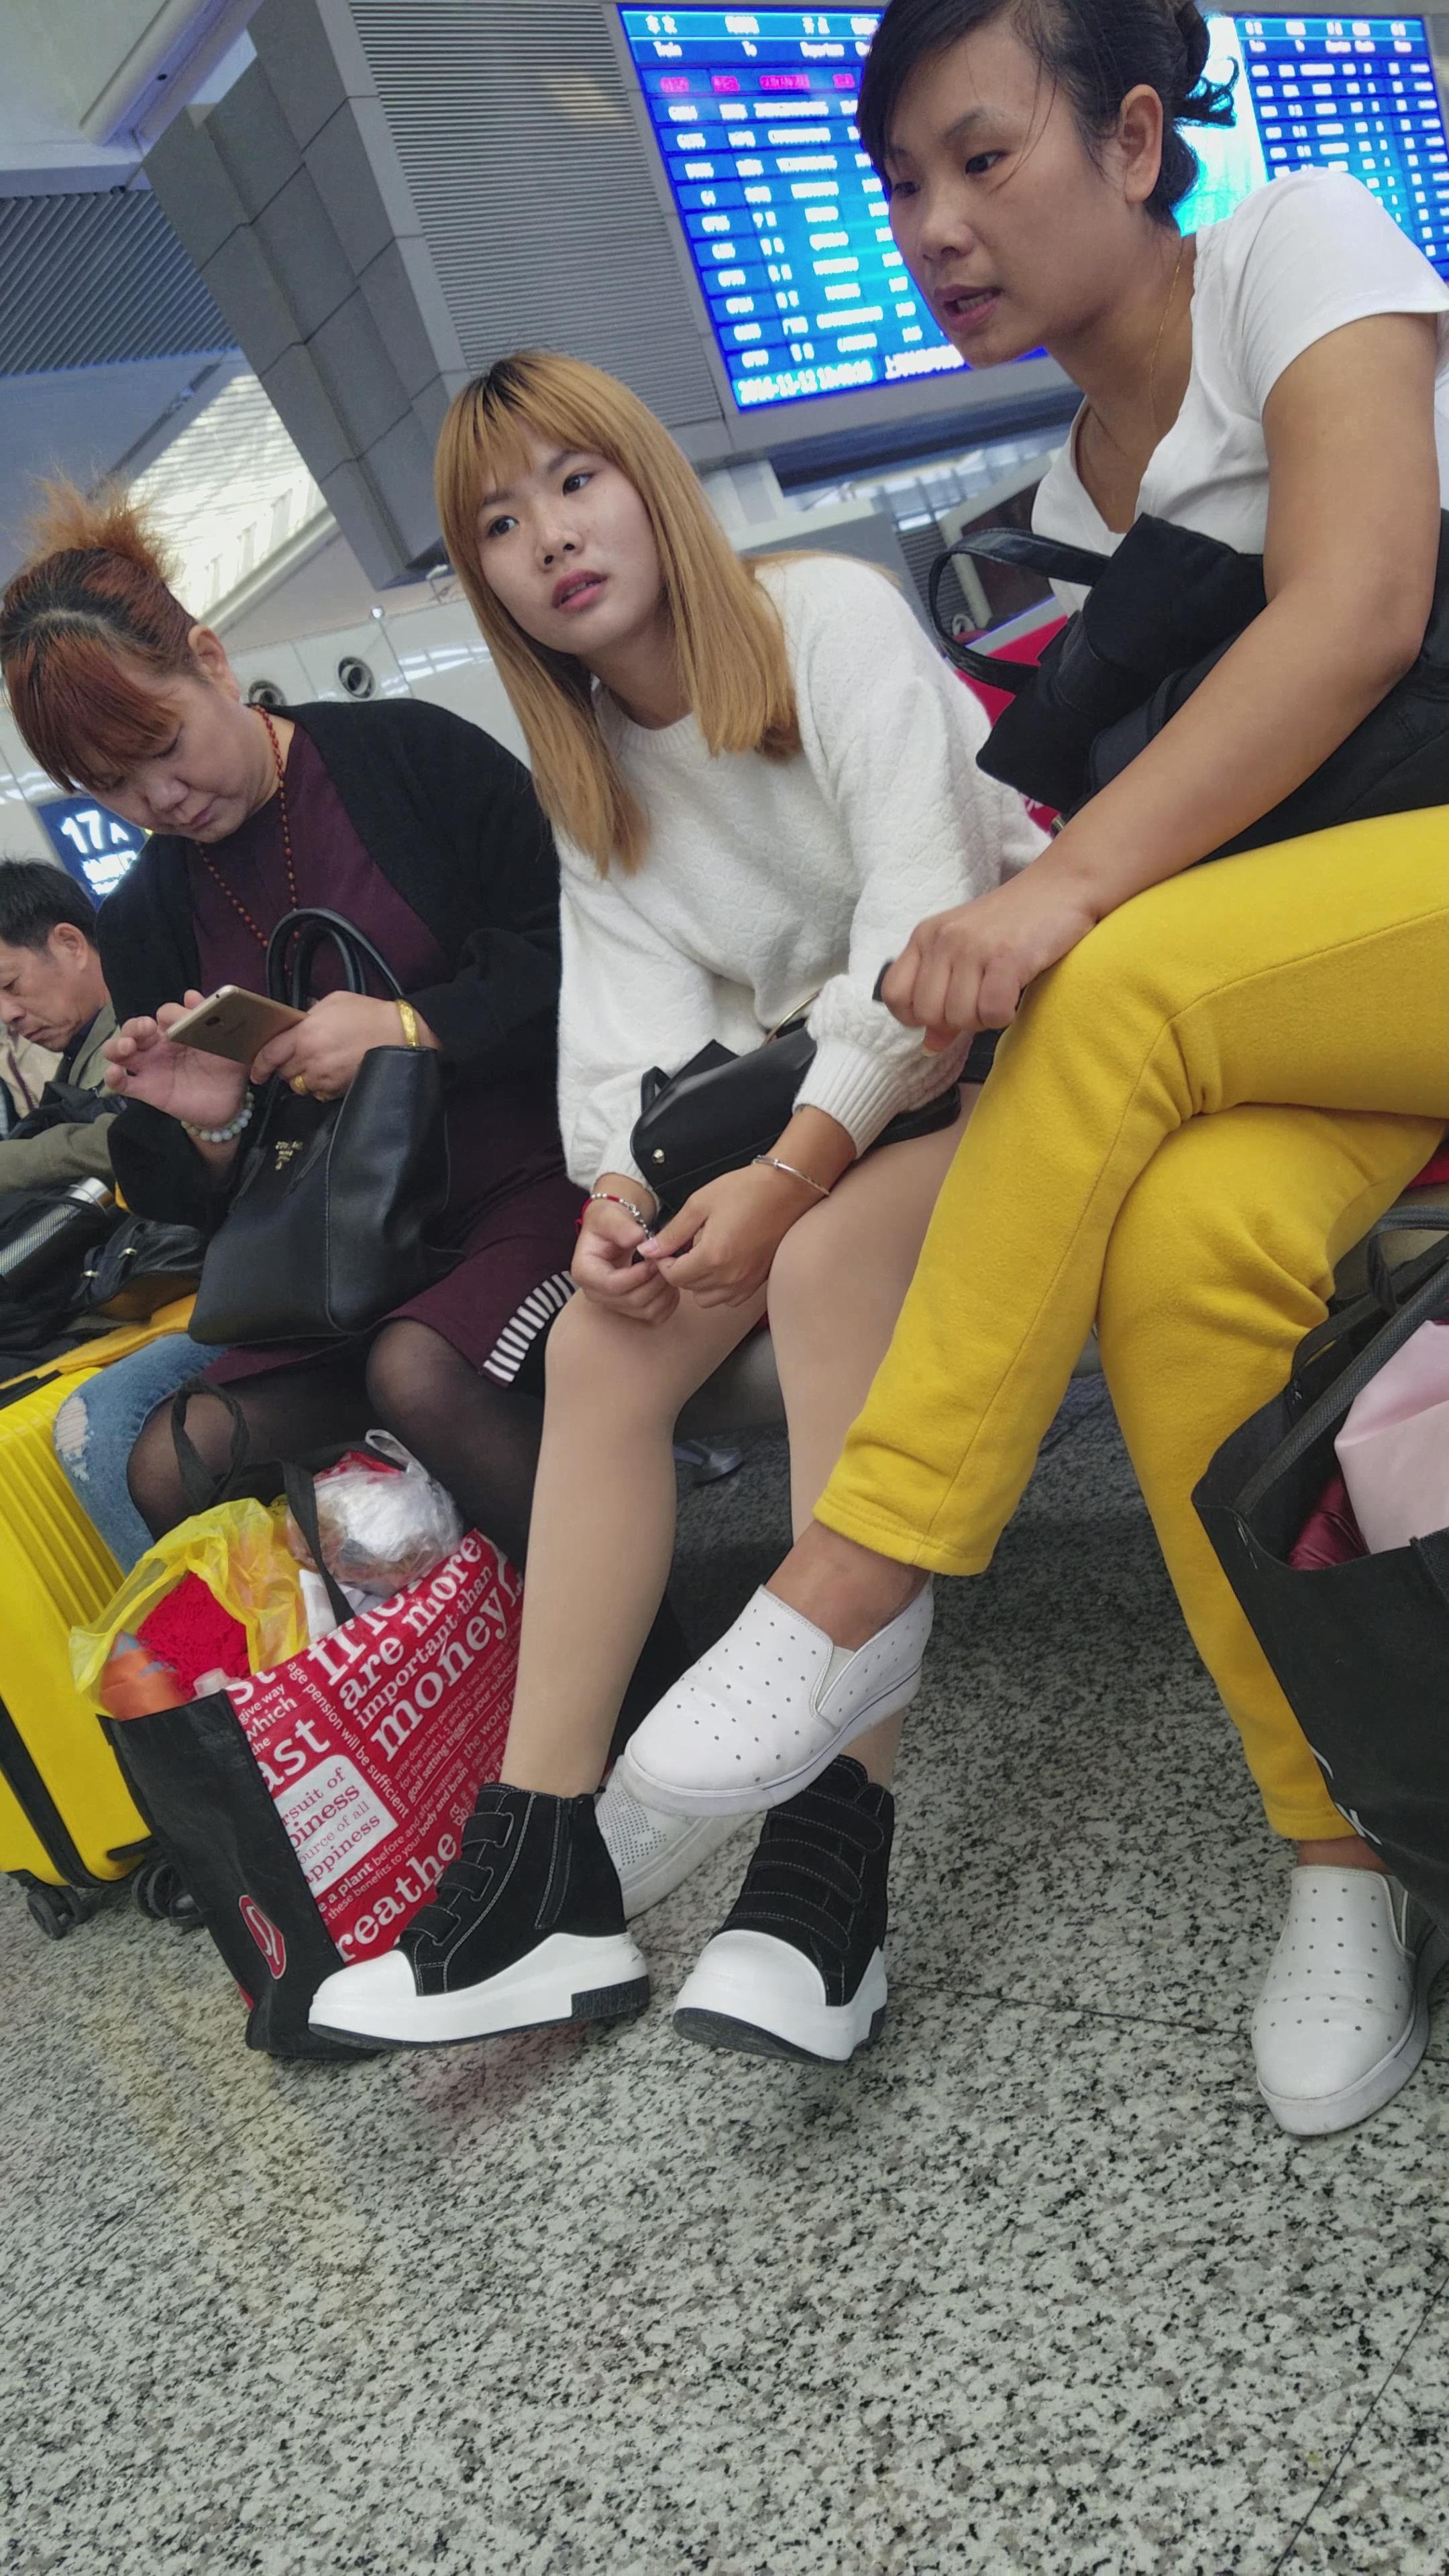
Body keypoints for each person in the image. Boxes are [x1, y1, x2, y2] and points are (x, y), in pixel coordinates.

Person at [616, 0, 1449, 2131]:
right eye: (900, 186)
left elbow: (1361, 609)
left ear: (1138, 136)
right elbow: (995, 900)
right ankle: (1342, 1840)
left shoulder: (1301, 252)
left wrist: (1065, 897)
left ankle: (860, 1576)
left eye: (981, 159)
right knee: (1175, 1263)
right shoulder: (1046, 532)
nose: (933, 225)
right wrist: (799, 1152)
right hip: (1337, 997)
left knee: (1117, 979)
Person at [305, 348, 1046, 2057]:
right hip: (821, 1121)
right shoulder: (592, 767)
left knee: (826, 1264)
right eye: (501, 524)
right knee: (599, 1343)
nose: (552, 538)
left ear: (649, 480)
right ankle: (544, 1874)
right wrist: (623, 1197)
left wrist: (784, 1179)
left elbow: (925, 948)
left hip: (1011, 1061)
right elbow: (628, 1037)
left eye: (576, 481)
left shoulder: (829, 619)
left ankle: (829, 1867)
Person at [0, 490, 685, 1737]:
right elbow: (173, 1184)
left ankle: (644, 1688)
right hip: (341, 1251)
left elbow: (580, 948)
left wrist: (411, 1026)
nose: (159, 798)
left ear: (211, 660)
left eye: (164, 744)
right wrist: (209, 1121)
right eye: (112, 785)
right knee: (178, 1452)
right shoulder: (149, 911)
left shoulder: (406, 759)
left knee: (419, 1371)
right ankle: (420, 1725)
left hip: (535, 1178)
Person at [0, 862, 117, 1190]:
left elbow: (138, 1137)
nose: (7, 1015)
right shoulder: (83, 1046)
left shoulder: (155, 1015)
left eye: (10, 985)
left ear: (70, 944)